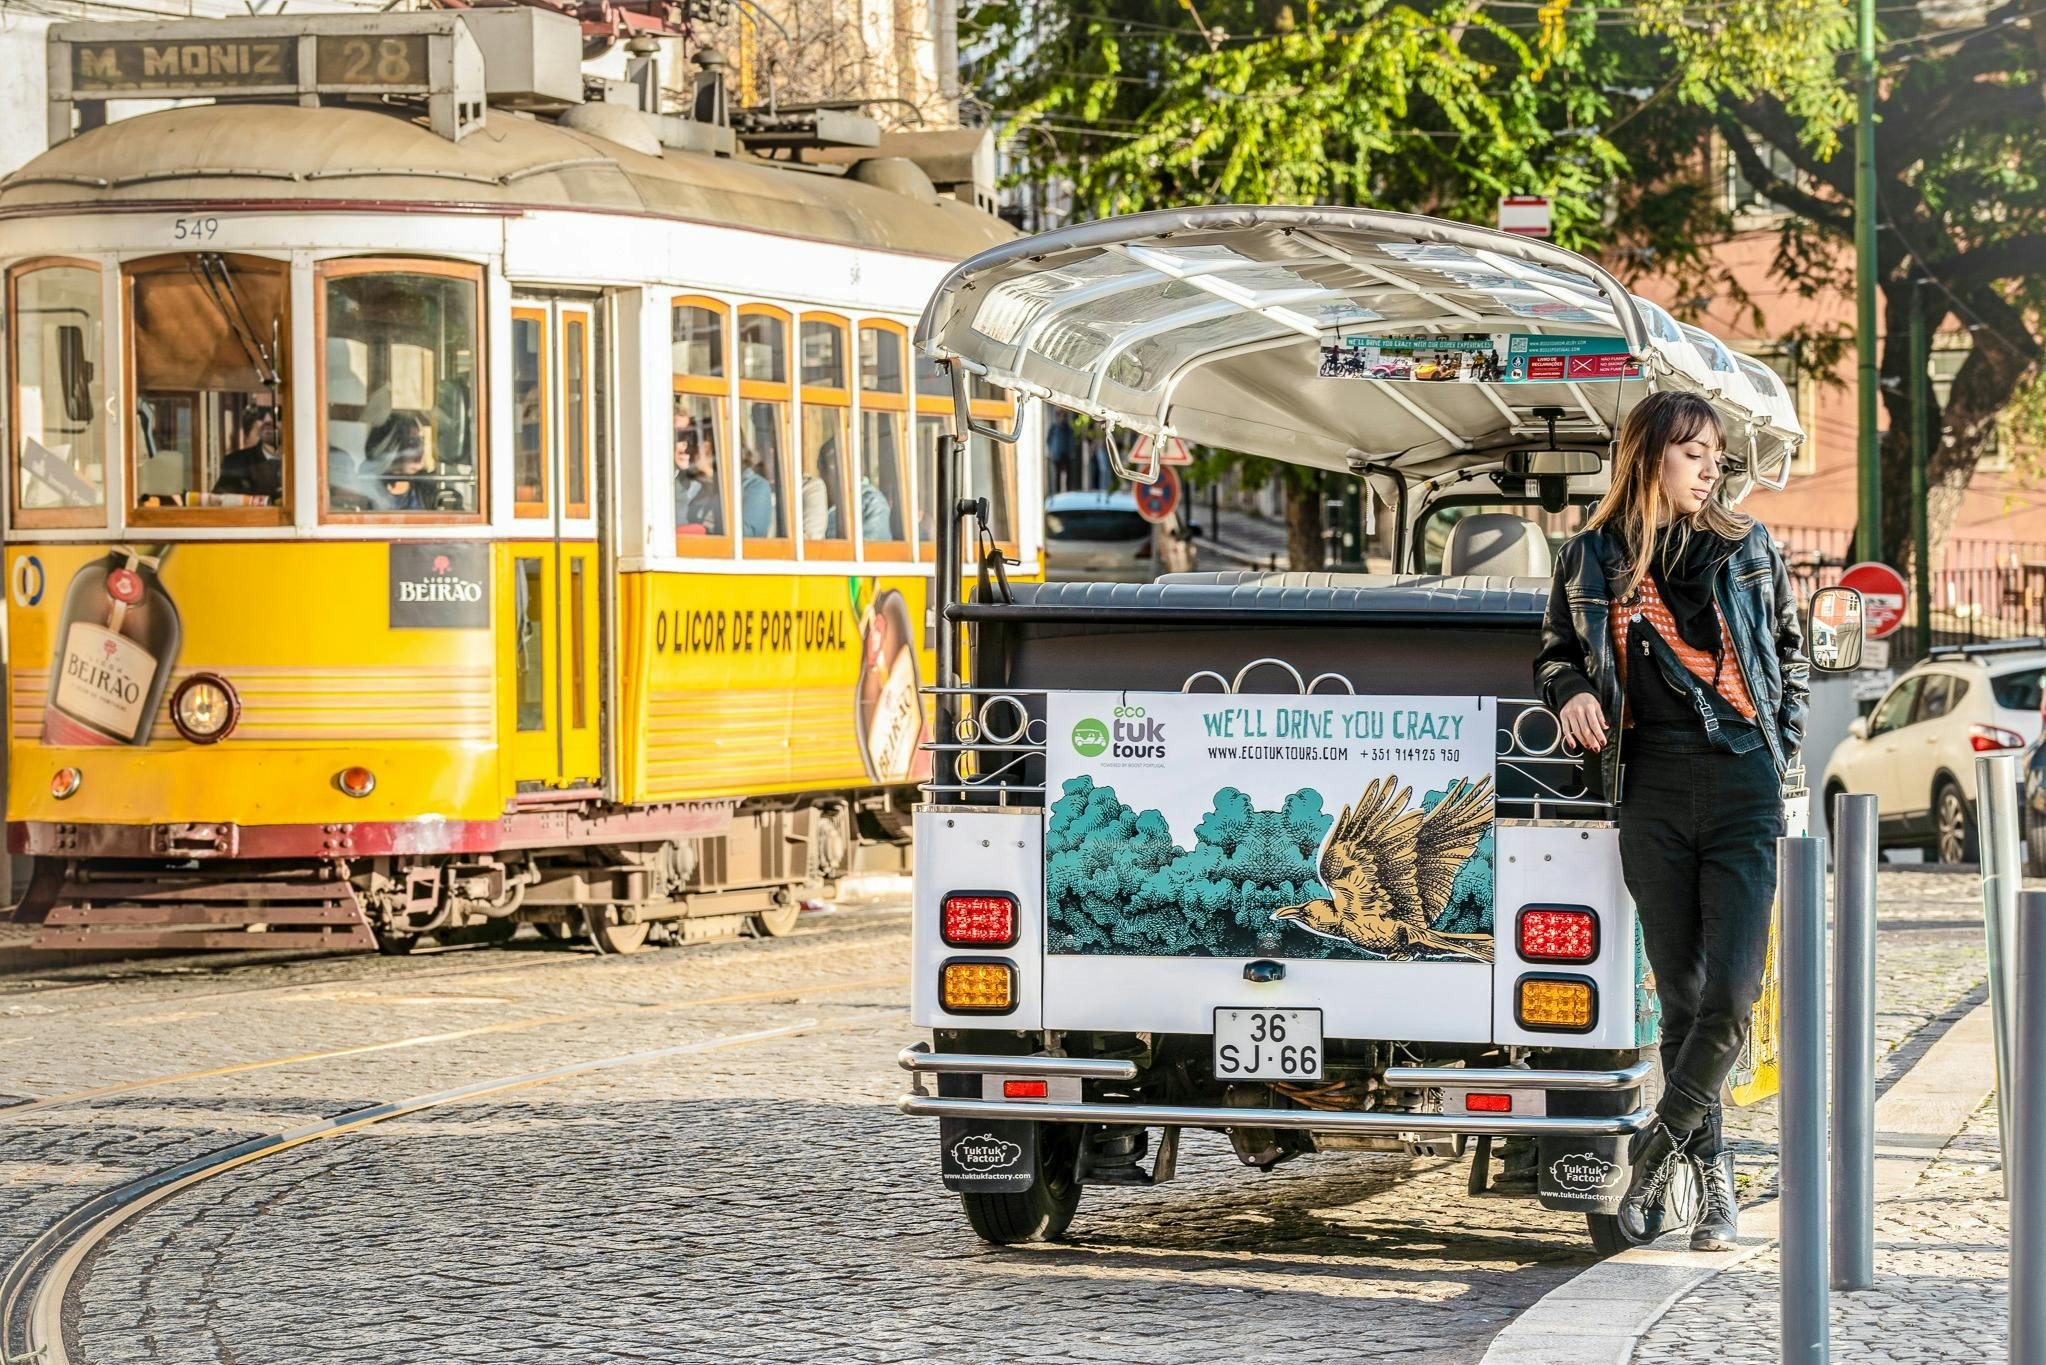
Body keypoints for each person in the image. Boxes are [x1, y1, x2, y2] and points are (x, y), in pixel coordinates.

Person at [1533, 390, 1808, 1253]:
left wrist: (1779, 746)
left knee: (1730, 995)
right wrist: (1572, 690)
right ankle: (1715, 1182)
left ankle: (1655, 1149)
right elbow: (1553, 652)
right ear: (1650, 454)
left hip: (1740, 786)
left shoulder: (1747, 546)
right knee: (1683, 1001)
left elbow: (1790, 657)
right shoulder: (1589, 556)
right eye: (1696, 453)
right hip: (1648, 785)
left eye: (1718, 455)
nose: (1712, 468)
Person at [214, 406, 281, 500]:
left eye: (277, 413)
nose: (267, 419)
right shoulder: (236, 463)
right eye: (261, 413)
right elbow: (219, 503)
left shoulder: (306, 461)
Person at [673, 417, 723, 534]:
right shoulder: (677, 485)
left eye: (693, 440)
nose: (688, 446)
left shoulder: (742, 486)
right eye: (680, 437)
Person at [1046, 409, 1077, 494]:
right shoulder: (1053, 428)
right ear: (1057, 417)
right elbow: (1048, 441)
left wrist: (1072, 452)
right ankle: (1057, 493)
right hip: (1057, 455)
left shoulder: (1068, 428)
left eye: (1064, 416)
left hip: (1067, 455)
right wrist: (1050, 453)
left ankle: (1068, 493)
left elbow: (1071, 441)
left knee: (1068, 476)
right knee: (1057, 476)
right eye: (1060, 416)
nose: (1062, 418)